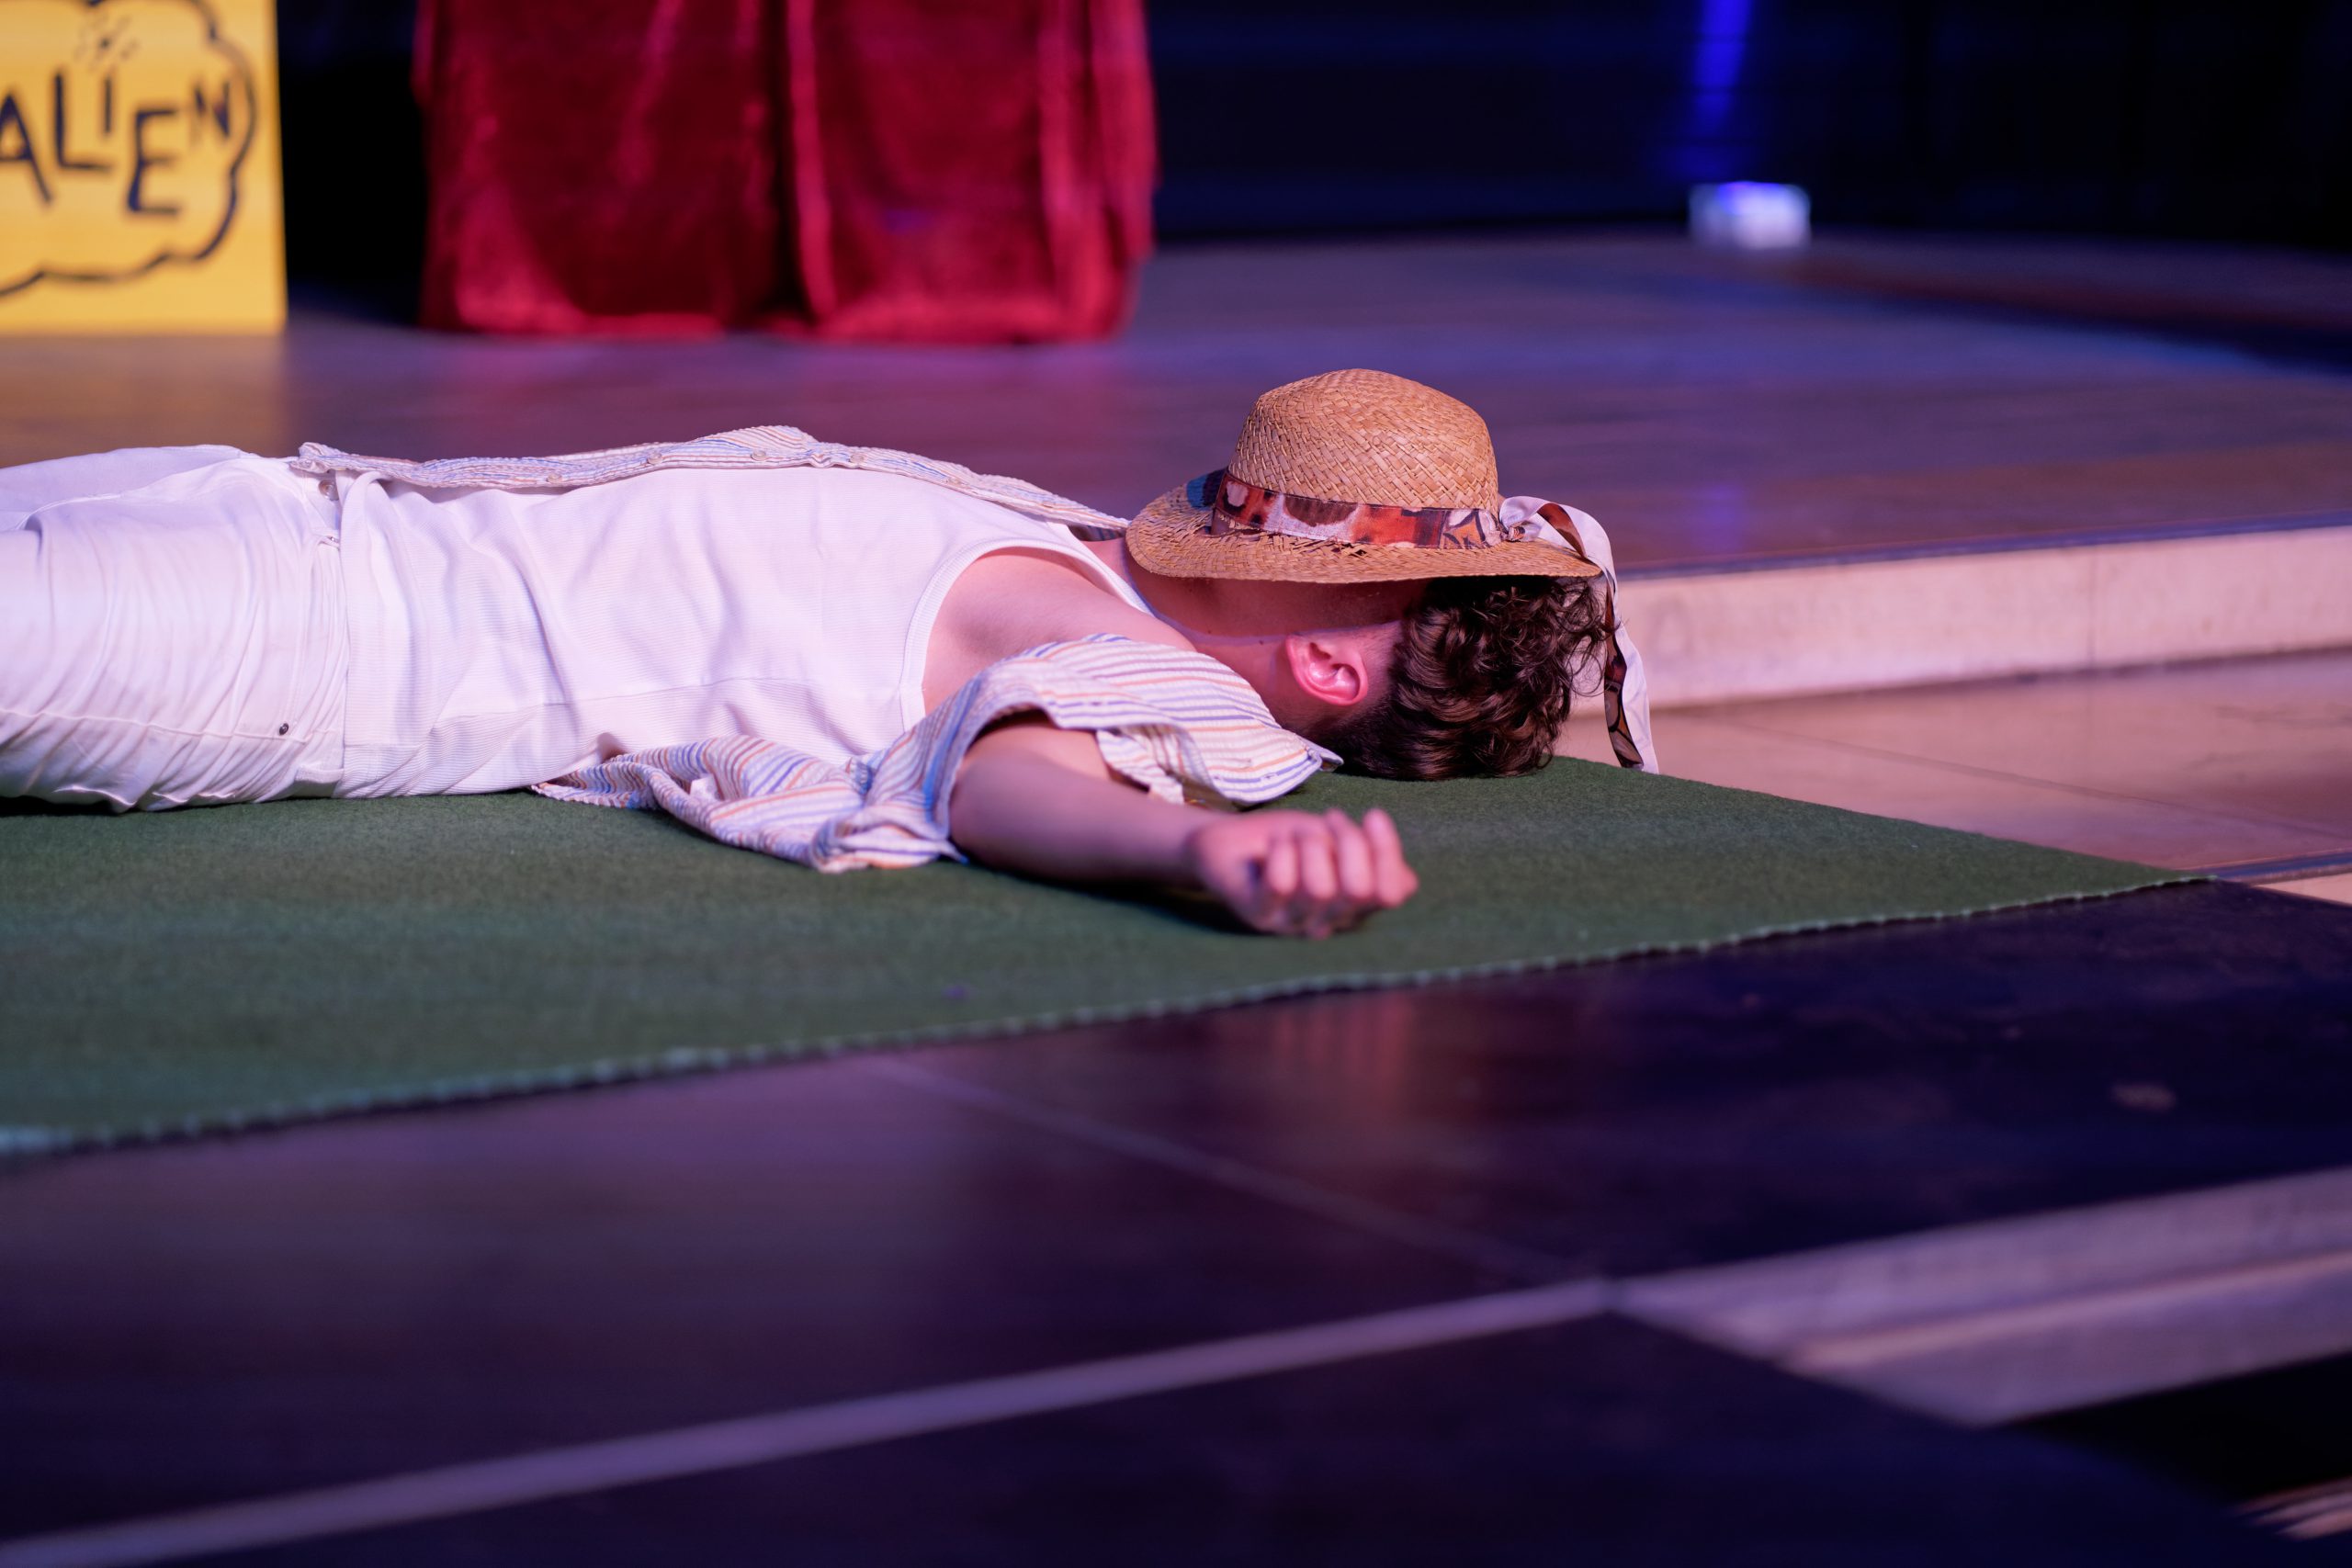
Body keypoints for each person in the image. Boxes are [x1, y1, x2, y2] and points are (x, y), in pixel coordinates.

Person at [0, 369, 1652, 938]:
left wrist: (1197, 851)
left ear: (1341, 673)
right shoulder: (1092, 551)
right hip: (293, 506)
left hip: (310, 645)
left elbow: (1013, 779)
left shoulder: (1126, 660)